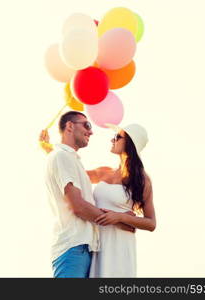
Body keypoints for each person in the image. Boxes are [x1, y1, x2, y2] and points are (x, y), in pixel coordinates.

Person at [40, 111, 135, 278]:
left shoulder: (68, 159)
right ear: (69, 126)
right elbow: (78, 206)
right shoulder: (62, 156)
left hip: (82, 248)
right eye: (87, 125)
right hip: (72, 248)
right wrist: (119, 221)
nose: (91, 131)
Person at [87, 123, 156, 277]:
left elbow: (151, 223)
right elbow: (72, 171)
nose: (113, 140)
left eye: (118, 137)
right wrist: (50, 150)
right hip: (97, 242)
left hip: (120, 245)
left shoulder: (142, 180)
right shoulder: (104, 171)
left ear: (130, 143)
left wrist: (119, 217)